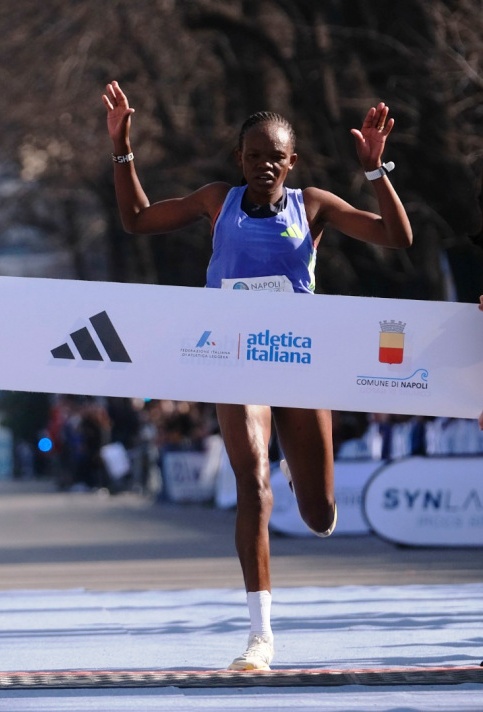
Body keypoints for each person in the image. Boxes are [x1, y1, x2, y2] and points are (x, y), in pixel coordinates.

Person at [102, 80, 413, 670]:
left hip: (299, 362)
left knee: (319, 515)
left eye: (276, 156)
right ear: (239, 159)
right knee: (253, 486)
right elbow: (137, 220)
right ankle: (260, 635)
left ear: (292, 162)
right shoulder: (216, 201)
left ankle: (303, 476)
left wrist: (376, 168)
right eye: (253, 155)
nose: (264, 165)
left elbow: (398, 237)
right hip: (234, 359)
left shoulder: (312, 205)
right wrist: (122, 147)